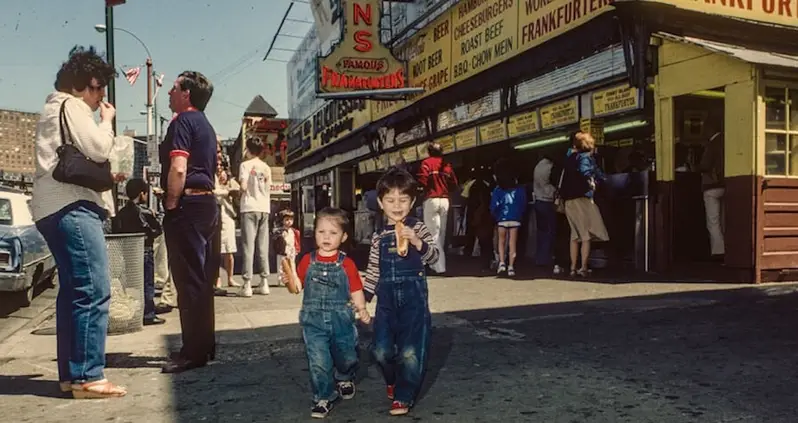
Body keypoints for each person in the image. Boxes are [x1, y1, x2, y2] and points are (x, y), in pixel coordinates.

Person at [31, 45, 126, 398]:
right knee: (94, 288)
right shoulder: (72, 105)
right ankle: (88, 375)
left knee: (72, 292)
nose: (100, 96)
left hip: (49, 208)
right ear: (85, 84)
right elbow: (100, 149)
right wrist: (106, 121)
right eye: (99, 88)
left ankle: (71, 375)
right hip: (73, 205)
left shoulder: (51, 107)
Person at [364, 167, 439, 416]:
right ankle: (392, 380)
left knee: (410, 351)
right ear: (381, 203)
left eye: (403, 200)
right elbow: (373, 271)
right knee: (381, 350)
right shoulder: (377, 237)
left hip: (414, 300)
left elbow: (434, 257)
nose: (397, 206)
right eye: (391, 200)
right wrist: (362, 300)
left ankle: (404, 396)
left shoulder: (419, 228)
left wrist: (418, 242)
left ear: (413, 202)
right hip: (386, 301)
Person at [159, 71, 220, 374]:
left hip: (188, 205)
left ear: (186, 94)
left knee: (187, 280)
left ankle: (191, 352)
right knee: (202, 279)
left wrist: (171, 203)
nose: (169, 93)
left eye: (173, 88)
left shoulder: (182, 121)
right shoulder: (206, 125)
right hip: (207, 204)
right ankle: (204, 346)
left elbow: (179, 168)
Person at [285, 208, 371, 419]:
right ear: (314, 233)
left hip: (341, 318)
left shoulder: (347, 263)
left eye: (332, 233)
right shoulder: (307, 260)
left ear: (343, 237)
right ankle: (323, 396)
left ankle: (344, 375)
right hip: (313, 321)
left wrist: (362, 309)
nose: (326, 237)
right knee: (319, 361)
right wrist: (290, 281)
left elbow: (356, 289)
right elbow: (297, 287)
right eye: (321, 231)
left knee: (347, 355)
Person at [112, 178, 165, 326]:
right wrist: (157, 216)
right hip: (145, 250)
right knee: (147, 283)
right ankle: (148, 313)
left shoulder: (121, 212)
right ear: (141, 193)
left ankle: (134, 311)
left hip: (128, 252)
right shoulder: (145, 212)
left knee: (132, 284)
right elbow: (157, 230)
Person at [560, 131, 609, 277]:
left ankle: (573, 267)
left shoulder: (569, 158)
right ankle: (583, 267)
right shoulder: (585, 157)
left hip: (568, 201)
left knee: (574, 236)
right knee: (586, 235)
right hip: (582, 199)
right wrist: (593, 182)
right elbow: (587, 172)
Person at [238, 137, 273, 297]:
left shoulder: (245, 165)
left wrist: (238, 190)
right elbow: (268, 187)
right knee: (262, 245)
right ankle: (264, 282)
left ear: (248, 149)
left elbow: (244, 186)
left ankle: (247, 284)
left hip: (249, 207)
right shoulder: (266, 167)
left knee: (248, 246)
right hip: (264, 207)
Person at [416, 141, 458, 275]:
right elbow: (454, 184)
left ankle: (438, 266)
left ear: (429, 152)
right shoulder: (447, 165)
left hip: (431, 199)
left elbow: (422, 182)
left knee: (432, 233)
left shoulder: (426, 163)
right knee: (441, 234)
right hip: (445, 200)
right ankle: (433, 263)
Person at [490, 162, 527, 277]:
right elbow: (523, 204)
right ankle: (511, 266)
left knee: (501, 242)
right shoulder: (519, 189)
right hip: (515, 218)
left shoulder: (498, 189)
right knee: (512, 243)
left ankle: (501, 263)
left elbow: (494, 205)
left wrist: (495, 215)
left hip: (501, 218)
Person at [214, 144, 240, 290]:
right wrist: (225, 191)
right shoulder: (211, 178)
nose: (219, 168)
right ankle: (217, 279)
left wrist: (228, 186)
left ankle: (230, 277)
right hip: (215, 215)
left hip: (228, 215)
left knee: (229, 250)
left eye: (221, 166)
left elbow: (237, 190)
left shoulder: (230, 179)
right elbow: (212, 191)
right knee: (216, 250)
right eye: (217, 165)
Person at [700, 130, 725, 261]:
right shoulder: (728, 141)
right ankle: (728, 250)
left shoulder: (712, 144)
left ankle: (718, 252)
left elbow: (704, 165)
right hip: (726, 184)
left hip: (711, 186)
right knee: (724, 220)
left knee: (713, 221)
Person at [532, 155, 558, 270]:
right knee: (550, 231)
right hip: (548, 201)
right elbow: (553, 182)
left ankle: (540, 258)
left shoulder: (538, 166)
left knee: (541, 231)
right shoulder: (551, 167)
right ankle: (547, 257)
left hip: (538, 200)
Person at [274, 209, 301, 286]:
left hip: (291, 249)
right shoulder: (280, 232)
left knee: (292, 264)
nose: (289, 221)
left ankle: (293, 277)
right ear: (282, 221)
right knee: (281, 265)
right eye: (286, 220)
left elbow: (296, 241)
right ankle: (281, 279)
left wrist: (296, 249)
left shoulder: (294, 231)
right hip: (282, 250)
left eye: (291, 220)